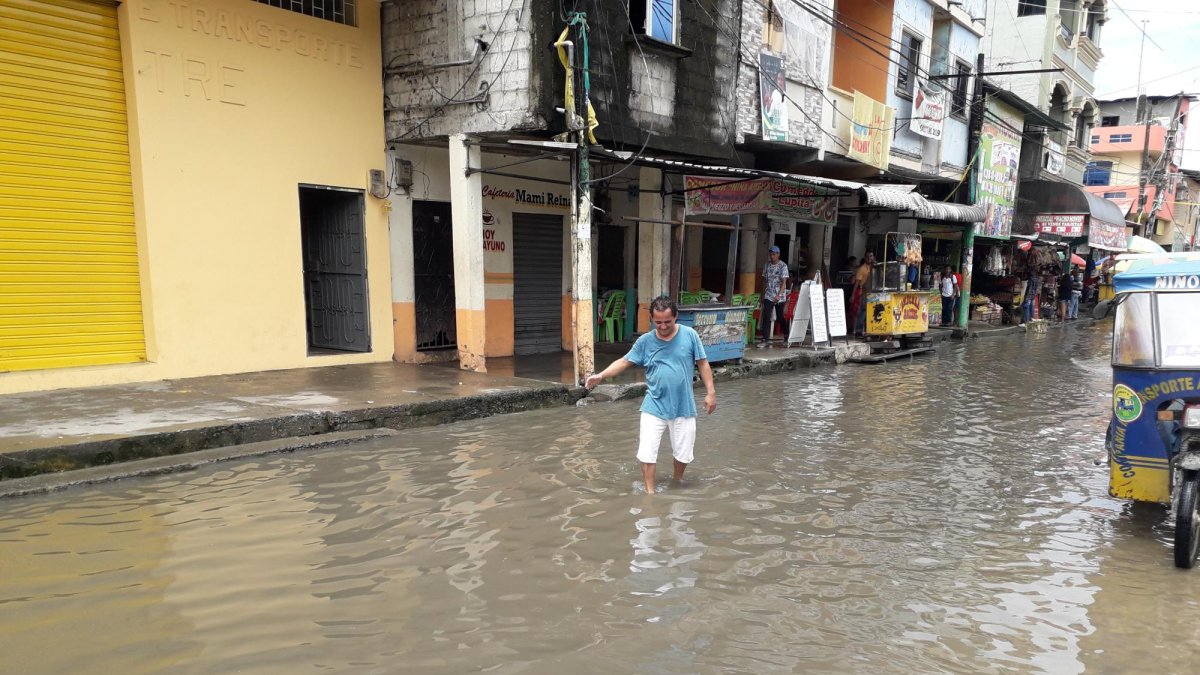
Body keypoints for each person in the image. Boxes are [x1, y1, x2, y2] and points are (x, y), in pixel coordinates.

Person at [585, 296, 717, 495]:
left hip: (683, 404)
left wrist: (711, 393)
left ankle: (677, 479)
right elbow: (624, 361)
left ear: (676, 317)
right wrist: (601, 375)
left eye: (667, 322)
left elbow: (703, 363)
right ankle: (650, 493)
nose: (663, 326)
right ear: (652, 320)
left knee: (683, 453)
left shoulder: (690, 335)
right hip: (653, 404)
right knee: (647, 451)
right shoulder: (645, 341)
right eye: (658, 322)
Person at [760, 245, 790, 341]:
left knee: (780, 317)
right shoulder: (767, 265)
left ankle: (786, 333)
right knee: (766, 316)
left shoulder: (783, 266)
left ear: (778, 254)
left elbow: (784, 282)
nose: (771, 256)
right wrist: (762, 294)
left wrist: (779, 295)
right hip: (768, 294)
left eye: (773, 254)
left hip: (779, 296)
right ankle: (765, 337)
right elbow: (764, 281)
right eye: (770, 254)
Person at [850, 251, 875, 337]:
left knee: (871, 312)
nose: (869, 258)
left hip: (872, 292)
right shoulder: (862, 269)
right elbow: (857, 283)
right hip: (862, 292)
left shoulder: (874, 267)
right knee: (862, 312)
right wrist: (853, 295)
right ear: (865, 258)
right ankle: (858, 331)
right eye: (868, 256)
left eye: (871, 256)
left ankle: (870, 330)